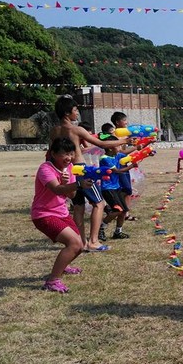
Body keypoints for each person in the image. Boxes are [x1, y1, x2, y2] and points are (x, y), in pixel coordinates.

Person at [50, 96, 127, 252]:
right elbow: (102, 144)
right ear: (67, 113)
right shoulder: (76, 129)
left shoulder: (54, 131)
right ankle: (93, 241)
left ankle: (82, 242)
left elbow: (51, 153)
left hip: (67, 171)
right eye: (75, 110)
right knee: (99, 204)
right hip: (81, 170)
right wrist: (123, 141)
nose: (77, 113)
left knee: (78, 206)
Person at [31, 137, 88, 293]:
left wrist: (68, 183)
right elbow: (56, 189)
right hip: (44, 214)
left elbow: (71, 195)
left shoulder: (70, 168)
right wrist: (77, 184)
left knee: (80, 246)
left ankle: (63, 266)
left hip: (61, 213)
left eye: (71, 153)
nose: (68, 157)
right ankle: (52, 281)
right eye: (64, 154)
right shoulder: (45, 169)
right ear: (53, 154)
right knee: (74, 244)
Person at [98, 136, 134, 239]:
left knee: (123, 210)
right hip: (108, 189)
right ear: (110, 148)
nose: (120, 148)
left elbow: (130, 156)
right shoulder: (104, 159)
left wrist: (144, 151)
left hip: (116, 187)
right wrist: (132, 166)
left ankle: (118, 232)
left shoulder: (117, 155)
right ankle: (100, 229)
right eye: (118, 146)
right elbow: (117, 171)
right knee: (117, 210)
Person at [110, 112, 138, 222]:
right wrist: (136, 148)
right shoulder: (115, 135)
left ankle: (125, 213)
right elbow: (121, 152)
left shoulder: (125, 134)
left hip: (124, 162)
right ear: (117, 122)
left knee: (127, 190)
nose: (126, 122)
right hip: (118, 164)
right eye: (124, 120)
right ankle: (119, 210)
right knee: (125, 189)